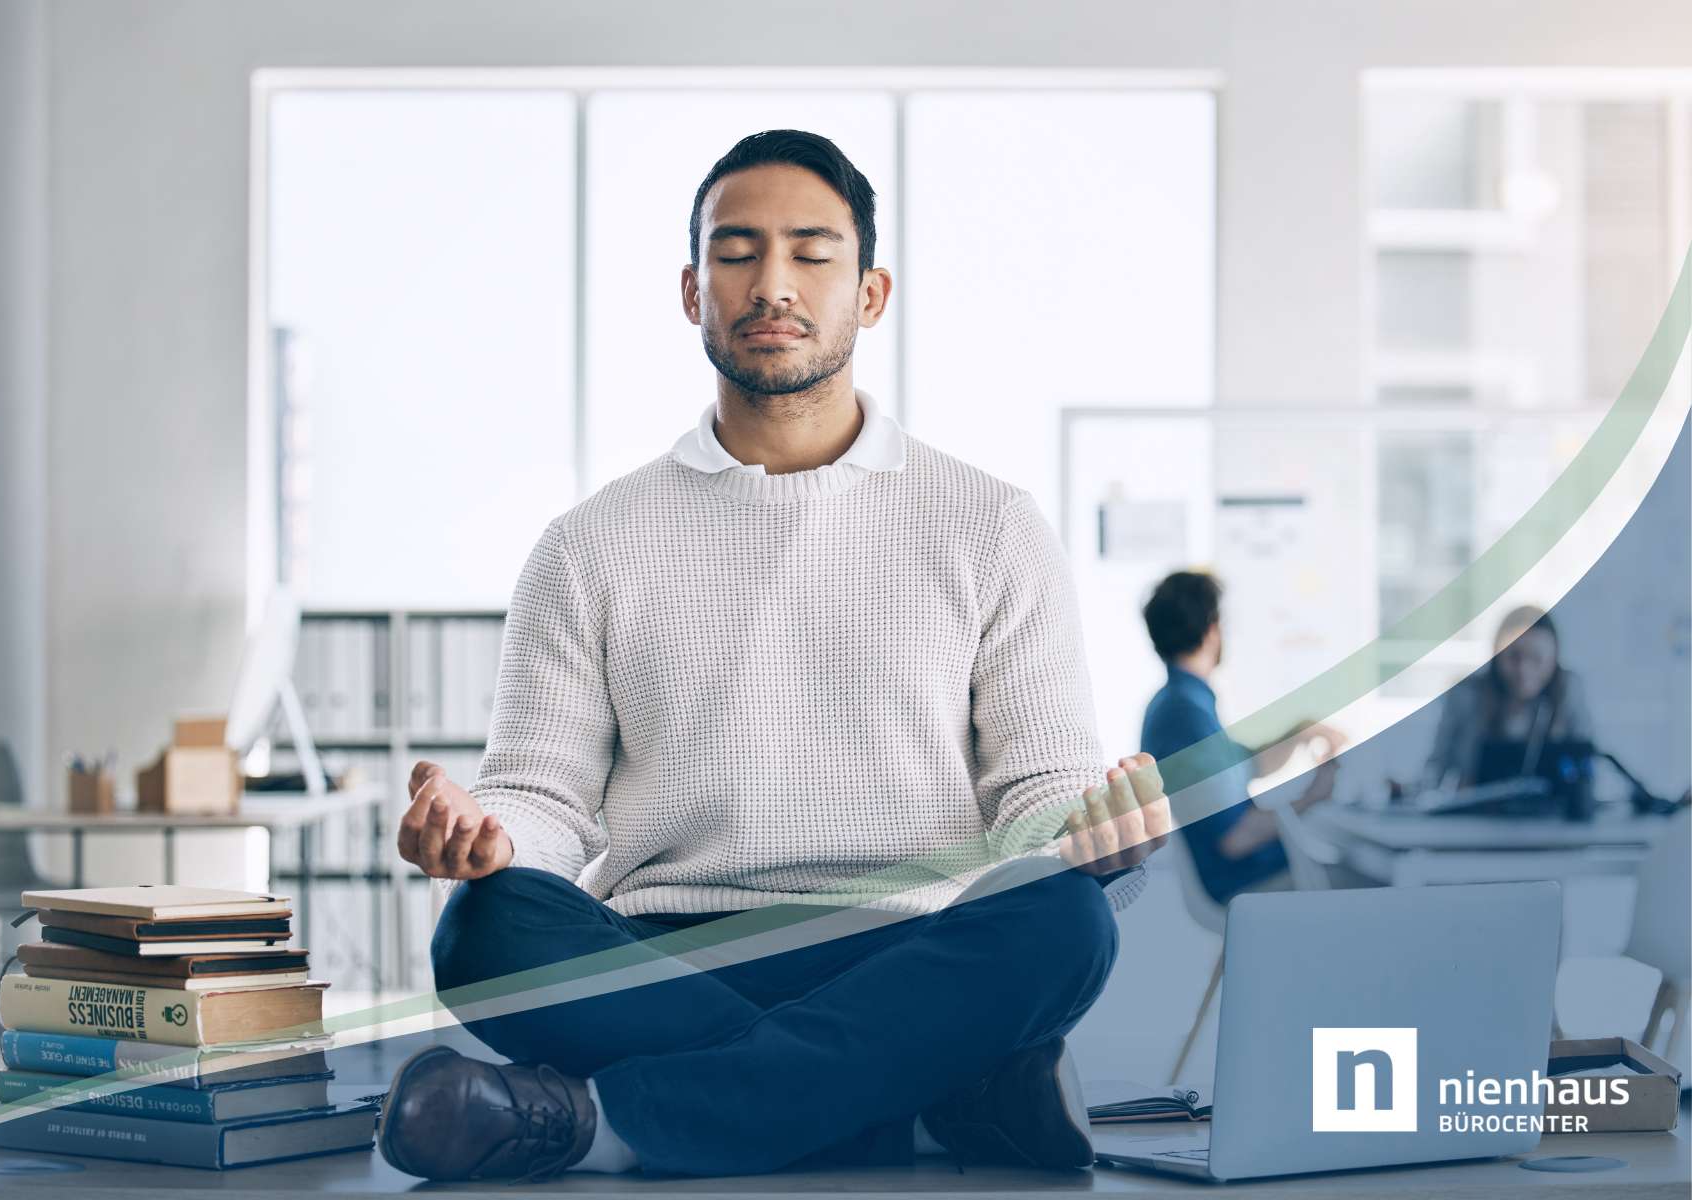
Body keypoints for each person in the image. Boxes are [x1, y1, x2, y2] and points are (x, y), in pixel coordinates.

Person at [375, 130, 1174, 1183]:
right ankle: (933, 1098)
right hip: (665, 949)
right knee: (483, 931)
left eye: (812, 252)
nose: (773, 285)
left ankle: (597, 1121)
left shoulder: (990, 524)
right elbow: (546, 796)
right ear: (692, 289)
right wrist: (488, 836)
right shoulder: (590, 543)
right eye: (738, 253)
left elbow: (1038, 778)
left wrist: (1086, 828)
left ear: (872, 291)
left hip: (909, 943)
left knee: (1066, 919)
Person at [1139, 570, 1343, 906]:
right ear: (1212, 629)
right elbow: (1232, 839)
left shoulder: (1182, 702)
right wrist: (1310, 798)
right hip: (1245, 881)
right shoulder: (1184, 715)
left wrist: (1303, 731)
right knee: (1377, 883)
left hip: (1250, 872)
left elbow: (1246, 766)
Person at [1421, 605, 1594, 790]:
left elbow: (1588, 768)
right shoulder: (1466, 694)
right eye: (1513, 657)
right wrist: (1414, 793)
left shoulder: (1569, 690)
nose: (1524, 671)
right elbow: (1436, 766)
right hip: (1476, 814)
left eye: (1537, 658)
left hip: (1551, 816)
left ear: (1553, 659)